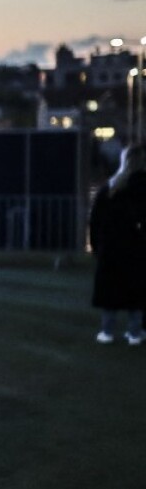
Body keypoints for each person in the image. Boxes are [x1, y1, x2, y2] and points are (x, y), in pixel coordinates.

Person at [89, 143, 146, 346]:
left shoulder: (110, 187)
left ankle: (107, 331)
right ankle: (135, 333)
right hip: (138, 248)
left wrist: (97, 246)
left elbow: (95, 220)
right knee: (137, 293)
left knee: (110, 292)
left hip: (111, 248)